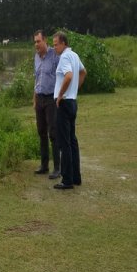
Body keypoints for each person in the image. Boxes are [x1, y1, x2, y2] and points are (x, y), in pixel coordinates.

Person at [52, 31, 86, 189]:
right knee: (72, 141)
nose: (54, 48)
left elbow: (69, 76)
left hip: (64, 103)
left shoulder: (65, 57)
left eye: (56, 44)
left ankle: (67, 180)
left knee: (64, 142)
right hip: (72, 101)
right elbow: (83, 72)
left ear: (63, 43)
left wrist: (60, 95)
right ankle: (75, 176)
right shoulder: (75, 55)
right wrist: (75, 89)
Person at [32, 30, 61, 179]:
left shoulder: (54, 55)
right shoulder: (36, 57)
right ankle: (44, 165)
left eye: (38, 41)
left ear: (45, 40)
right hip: (40, 99)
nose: (36, 44)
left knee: (53, 133)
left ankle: (57, 168)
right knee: (41, 132)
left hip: (51, 99)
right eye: (35, 42)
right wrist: (34, 98)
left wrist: (60, 96)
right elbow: (36, 79)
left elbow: (61, 75)